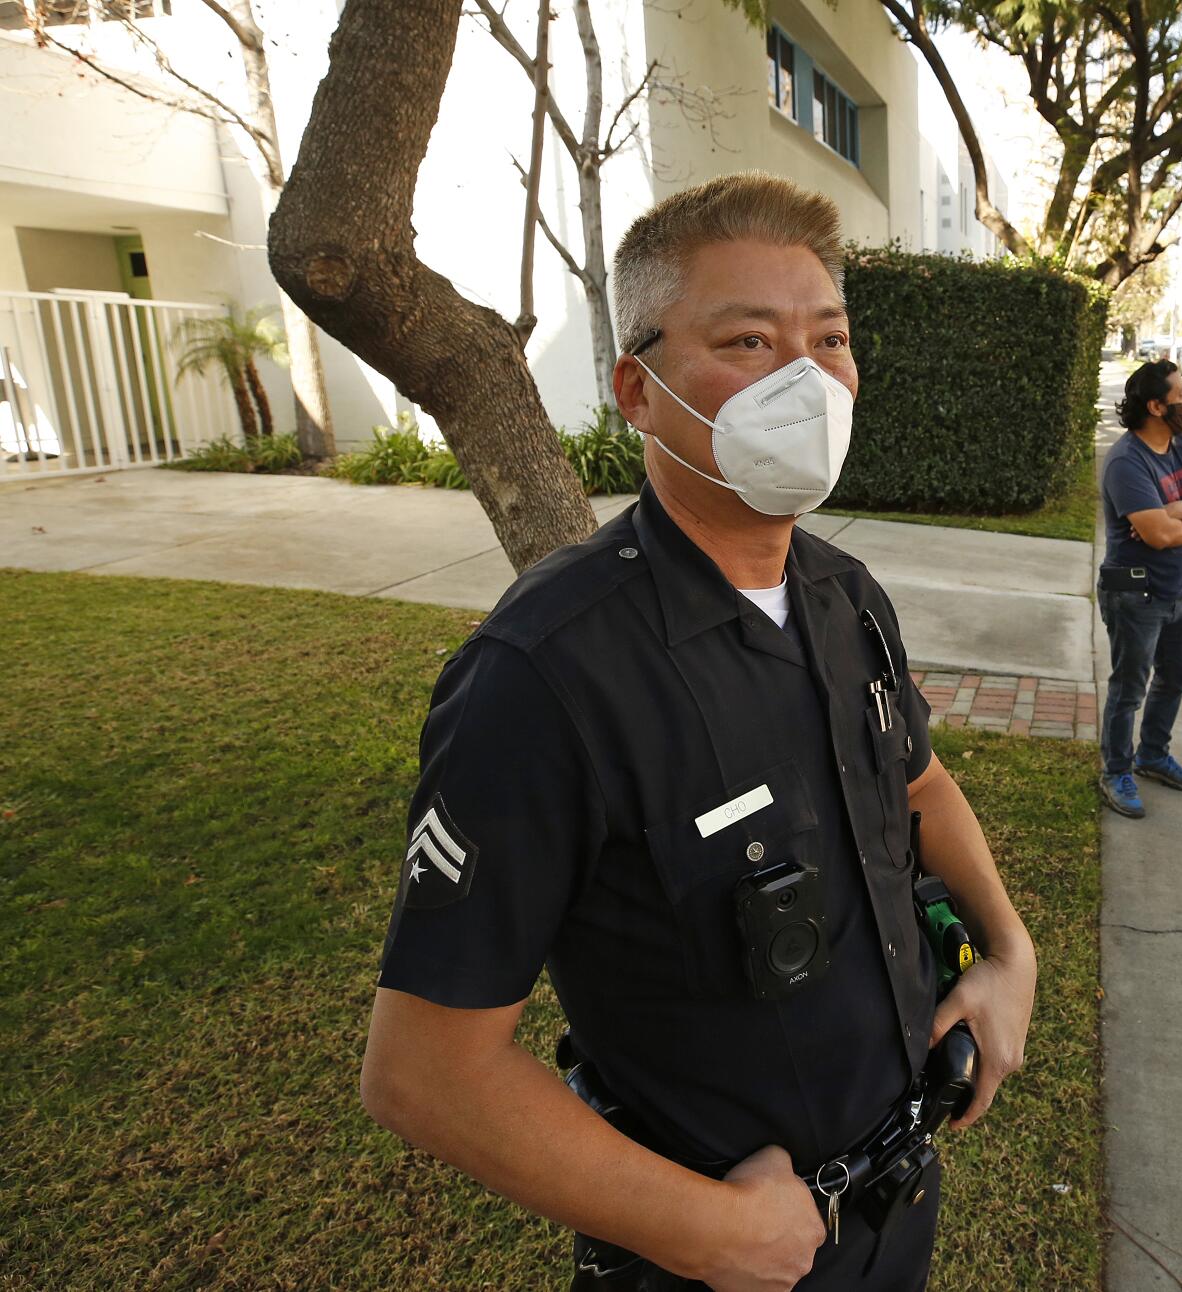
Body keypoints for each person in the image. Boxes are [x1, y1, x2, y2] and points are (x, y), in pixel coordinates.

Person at [358, 172, 1038, 1292]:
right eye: (748, 341)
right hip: (713, 1263)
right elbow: (425, 1071)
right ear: (637, 388)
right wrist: (703, 1231)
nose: (807, 379)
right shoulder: (545, 674)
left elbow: (917, 781)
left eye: (829, 338)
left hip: (899, 1206)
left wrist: (1009, 948)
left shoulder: (844, 593)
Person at [1095, 359, 1182, 819]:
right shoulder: (1126, 463)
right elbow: (1159, 537)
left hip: (1176, 592)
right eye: (1180, 395)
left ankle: (1152, 754)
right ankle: (1116, 770)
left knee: (1175, 677)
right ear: (1155, 405)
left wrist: (1176, 510)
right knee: (1129, 687)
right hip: (1130, 589)